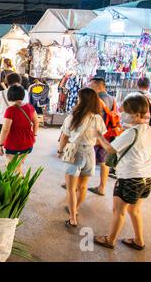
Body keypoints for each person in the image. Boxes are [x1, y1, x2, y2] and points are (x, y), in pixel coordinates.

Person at [93, 93, 151, 251]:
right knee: (134, 209)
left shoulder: (131, 132)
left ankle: (110, 240)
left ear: (136, 115)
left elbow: (110, 149)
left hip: (130, 177)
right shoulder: (150, 131)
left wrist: (99, 135)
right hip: (147, 177)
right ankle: (139, 241)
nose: (122, 114)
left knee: (118, 211)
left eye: (125, 111)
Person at [58, 88, 107, 228]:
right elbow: (100, 138)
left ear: (82, 100)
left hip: (75, 151)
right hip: (90, 153)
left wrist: (60, 150)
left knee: (71, 189)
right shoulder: (97, 118)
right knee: (83, 186)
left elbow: (64, 136)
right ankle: (76, 209)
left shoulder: (74, 115)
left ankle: (72, 218)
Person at [88, 77, 119, 196]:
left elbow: (94, 118)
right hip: (108, 135)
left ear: (98, 86)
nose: (90, 88)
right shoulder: (112, 99)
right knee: (103, 161)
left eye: (91, 86)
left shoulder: (96, 99)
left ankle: (76, 184)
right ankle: (102, 187)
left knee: (84, 157)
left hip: (96, 135)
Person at [0, 85, 39, 175]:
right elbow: (36, 122)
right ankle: (20, 182)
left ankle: (19, 185)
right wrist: (34, 135)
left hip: (13, 144)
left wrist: (0, 144)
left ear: (10, 96)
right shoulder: (30, 107)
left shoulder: (10, 110)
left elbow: (5, 129)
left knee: (12, 168)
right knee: (19, 165)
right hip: (28, 143)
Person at [0, 73, 18, 176]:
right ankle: (10, 174)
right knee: (11, 151)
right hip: (13, 124)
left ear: (7, 82)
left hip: (0, 122)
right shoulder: (22, 94)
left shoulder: (1, 94)